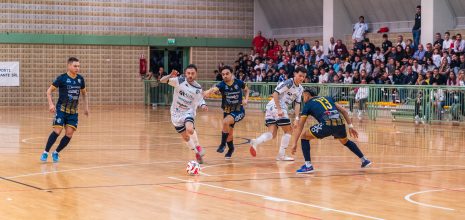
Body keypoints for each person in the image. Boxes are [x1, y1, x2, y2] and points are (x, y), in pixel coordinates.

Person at [290, 87, 372, 173]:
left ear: (307, 95)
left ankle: (308, 166)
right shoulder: (328, 98)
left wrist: (295, 143)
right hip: (340, 122)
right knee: (345, 141)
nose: (303, 98)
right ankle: (364, 160)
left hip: (327, 124)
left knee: (304, 137)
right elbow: (344, 111)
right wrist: (350, 126)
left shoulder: (308, 105)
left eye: (303, 96)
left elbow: (300, 126)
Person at [249, 66, 307, 161]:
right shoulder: (289, 82)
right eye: (300, 75)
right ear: (295, 74)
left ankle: (256, 141)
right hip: (278, 106)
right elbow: (275, 93)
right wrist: (279, 109)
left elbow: (297, 104)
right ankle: (281, 155)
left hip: (271, 107)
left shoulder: (300, 89)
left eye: (303, 77)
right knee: (288, 131)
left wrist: (297, 118)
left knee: (272, 133)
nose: (301, 78)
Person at [40, 57, 89, 163]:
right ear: (69, 66)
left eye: (78, 66)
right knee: (57, 131)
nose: (77, 68)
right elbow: (48, 91)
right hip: (61, 110)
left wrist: (86, 107)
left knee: (69, 134)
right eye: (75, 66)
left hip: (73, 112)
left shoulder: (80, 79)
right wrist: (51, 104)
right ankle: (45, 152)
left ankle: (56, 152)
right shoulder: (62, 78)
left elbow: (84, 94)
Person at [160, 64, 207, 163]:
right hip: (175, 114)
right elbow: (162, 80)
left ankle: (198, 146)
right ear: (185, 74)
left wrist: (203, 105)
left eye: (192, 73)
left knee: (189, 130)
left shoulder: (198, 88)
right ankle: (196, 153)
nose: (190, 75)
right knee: (185, 137)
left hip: (188, 112)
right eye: (188, 73)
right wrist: (170, 75)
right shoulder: (179, 81)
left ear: (196, 74)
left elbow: (200, 99)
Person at [204, 65, 249, 159]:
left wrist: (246, 100)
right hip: (227, 111)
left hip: (238, 110)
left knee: (225, 122)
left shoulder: (239, 82)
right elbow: (214, 89)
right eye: (223, 74)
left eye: (227, 74)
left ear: (231, 74)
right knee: (229, 134)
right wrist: (208, 91)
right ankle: (231, 149)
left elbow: (247, 90)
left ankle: (222, 144)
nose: (225, 76)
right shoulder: (221, 84)